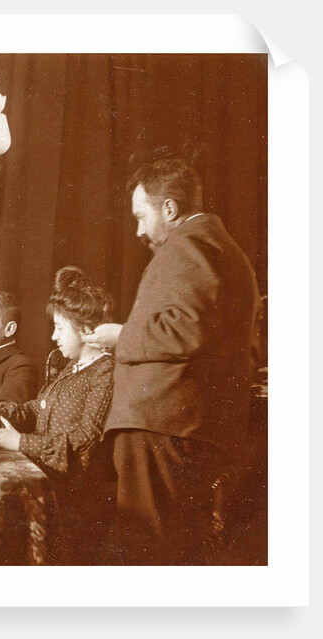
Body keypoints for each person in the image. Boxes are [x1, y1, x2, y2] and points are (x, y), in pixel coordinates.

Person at [83, 158, 260, 565]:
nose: (139, 230)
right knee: (171, 549)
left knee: (150, 552)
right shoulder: (215, 245)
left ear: (169, 209)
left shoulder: (189, 244)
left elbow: (185, 328)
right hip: (180, 426)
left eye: (142, 216)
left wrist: (120, 335)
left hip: (161, 425)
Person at [0, 267, 116, 565]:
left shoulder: (105, 372)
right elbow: (37, 408)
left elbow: (85, 443)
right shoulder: (71, 369)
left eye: (60, 328)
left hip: (76, 500)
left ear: (85, 330)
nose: (53, 336)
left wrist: (20, 442)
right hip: (49, 485)